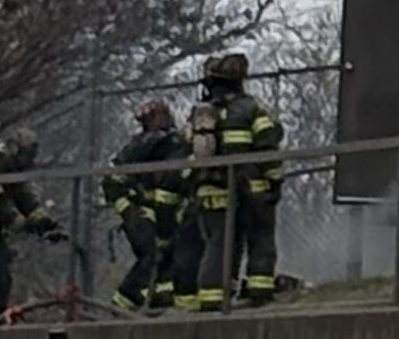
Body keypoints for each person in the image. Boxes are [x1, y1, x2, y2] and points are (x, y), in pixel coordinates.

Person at [183, 54, 284, 308]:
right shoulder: (251, 109)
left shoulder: (200, 114)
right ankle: (258, 291)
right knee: (260, 236)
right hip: (250, 187)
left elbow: (187, 151)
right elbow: (268, 146)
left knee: (218, 242)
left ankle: (212, 297)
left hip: (210, 188)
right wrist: (275, 181)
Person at [102, 99, 190, 313]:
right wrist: (127, 207)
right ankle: (121, 305)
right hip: (138, 208)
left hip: (155, 208)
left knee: (167, 252)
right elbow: (113, 177)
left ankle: (161, 299)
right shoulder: (150, 142)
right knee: (151, 253)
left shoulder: (169, 143)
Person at [0, 127, 65, 321]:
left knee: (1, 270)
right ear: (15, 150)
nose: (30, 161)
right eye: (28, 154)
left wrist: (46, 223)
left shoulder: (12, 170)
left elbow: (26, 199)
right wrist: (20, 222)